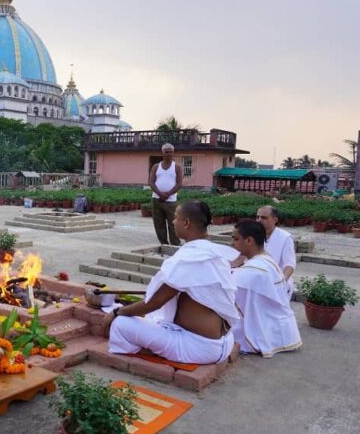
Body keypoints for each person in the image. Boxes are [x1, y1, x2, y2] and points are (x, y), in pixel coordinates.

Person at [102, 200, 239, 364]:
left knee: (121, 324)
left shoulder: (189, 258)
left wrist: (117, 312)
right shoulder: (215, 254)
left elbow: (153, 304)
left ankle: (149, 353)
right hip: (225, 341)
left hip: (198, 347)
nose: (173, 222)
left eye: (175, 218)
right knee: (152, 319)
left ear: (186, 223)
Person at [230, 220, 302, 357]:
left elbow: (231, 290)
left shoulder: (254, 270)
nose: (233, 243)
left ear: (249, 240)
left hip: (265, 330)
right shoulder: (265, 260)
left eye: (236, 238)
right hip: (280, 328)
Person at [257, 205, 297, 297]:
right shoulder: (253, 235)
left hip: (277, 284)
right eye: (257, 217)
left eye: (264, 218)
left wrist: (280, 282)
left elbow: (290, 264)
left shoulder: (285, 237)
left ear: (275, 220)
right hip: (257, 282)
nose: (259, 220)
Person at [149, 143, 183, 246]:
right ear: (162, 153)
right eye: (166, 152)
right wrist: (160, 194)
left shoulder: (177, 167)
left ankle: (175, 244)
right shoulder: (156, 166)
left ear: (173, 153)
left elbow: (179, 183)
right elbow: (151, 182)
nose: (168, 154)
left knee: (173, 224)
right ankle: (163, 244)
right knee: (159, 223)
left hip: (171, 200)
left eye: (170, 152)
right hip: (157, 199)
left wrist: (167, 194)